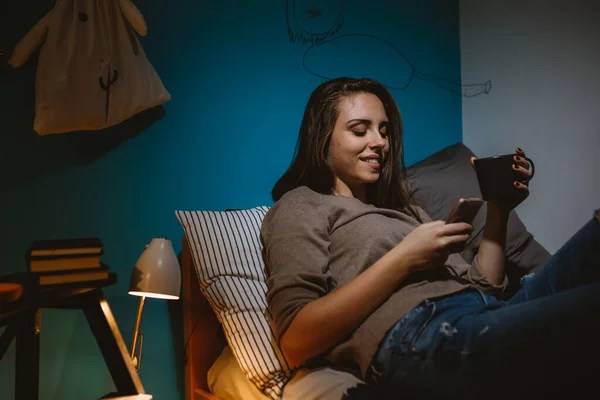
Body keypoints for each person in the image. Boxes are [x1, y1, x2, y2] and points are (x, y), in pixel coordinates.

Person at [260, 77, 600, 399]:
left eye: (384, 130)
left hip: (482, 313)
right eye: (360, 130)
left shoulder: (404, 209)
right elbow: (295, 340)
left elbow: (484, 286)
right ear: (322, 139)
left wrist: (499, 210)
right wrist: (404, 258)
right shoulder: (301, 204)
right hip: (421, 339)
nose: (379, 142)